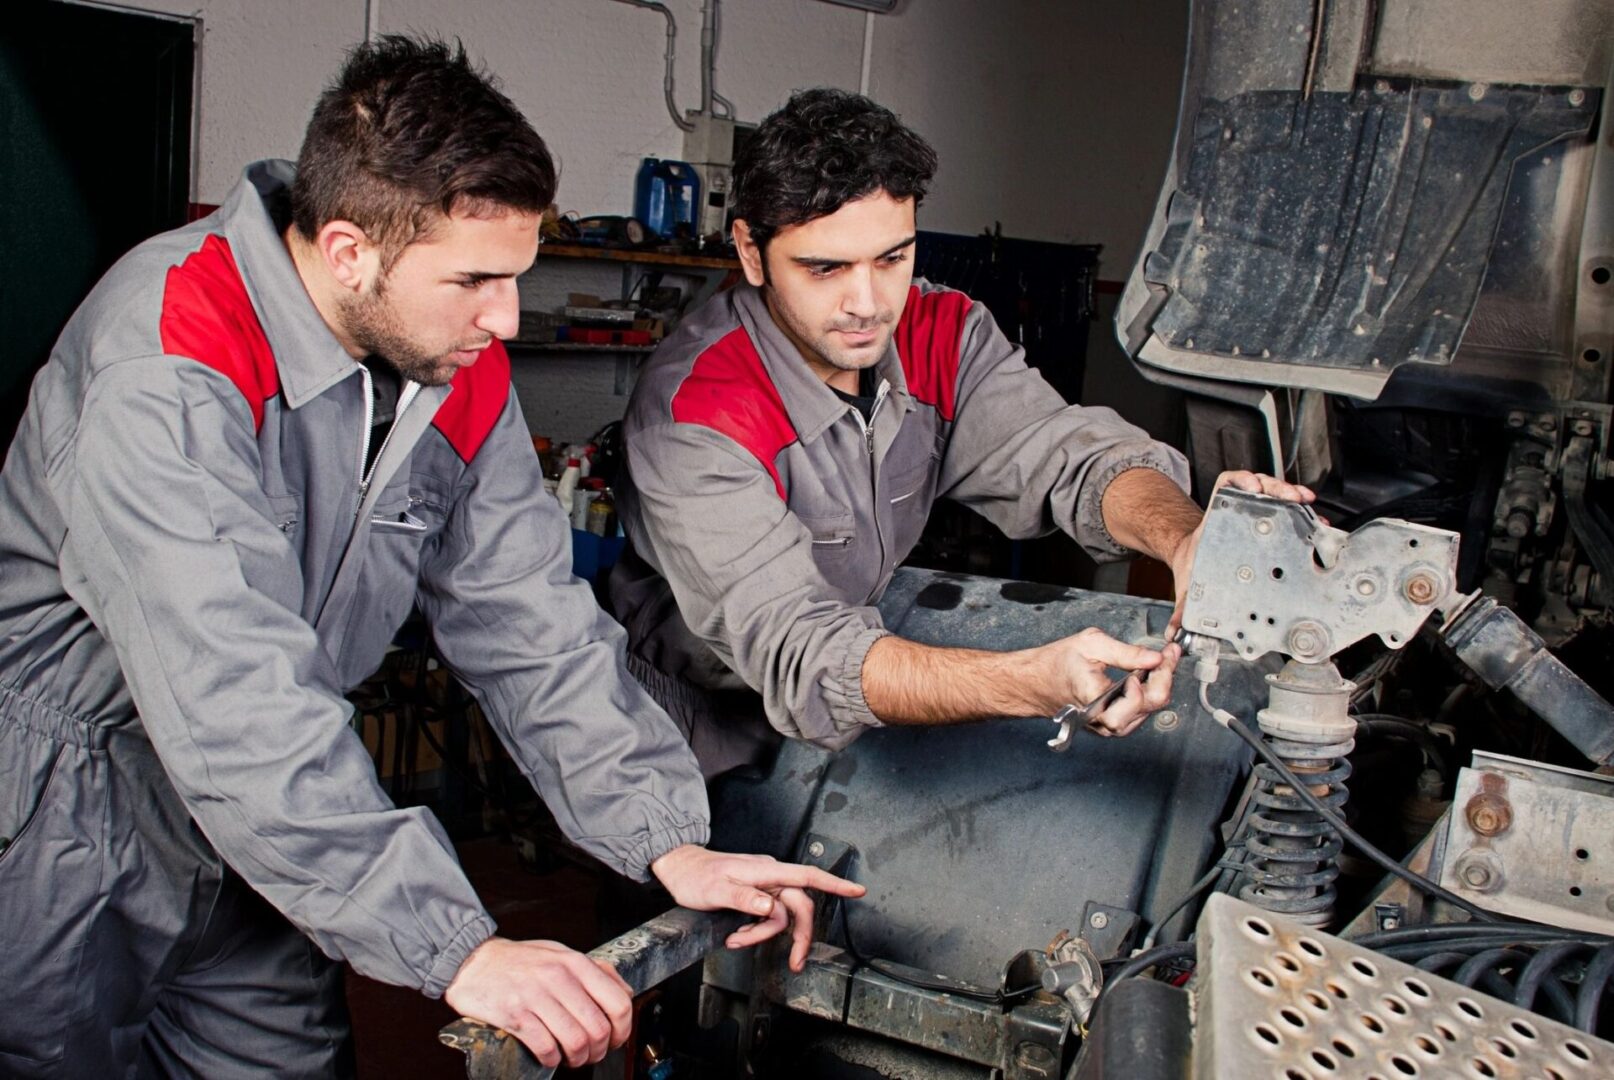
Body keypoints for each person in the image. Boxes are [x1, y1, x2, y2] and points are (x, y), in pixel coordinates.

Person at [0, 37, 859, 1078]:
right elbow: (228, 692)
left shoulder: (459, 368)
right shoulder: (171, 353)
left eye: (516, 277)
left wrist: (664, 835)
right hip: (76, 802)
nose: (503, 319)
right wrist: (459, 944)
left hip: (291, 808)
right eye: (474, 280)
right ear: (349, 249)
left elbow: (527, 621)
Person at [608, 88, 1313, 776]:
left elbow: (1070, 457)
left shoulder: (940, 333)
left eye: (891, 259)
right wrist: (1026, 684)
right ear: (752, 252)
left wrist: (1186, 536)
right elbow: (805, 653)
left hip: (855, 692)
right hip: (694, 728)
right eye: (825, 269)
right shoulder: (697, 414)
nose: (867, 304)